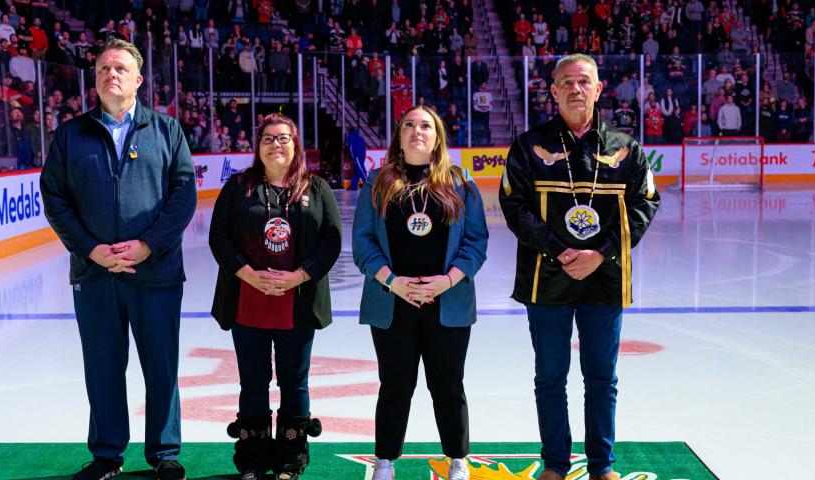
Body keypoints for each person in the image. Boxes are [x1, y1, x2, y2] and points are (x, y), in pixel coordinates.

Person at [498, 54, 660, 480]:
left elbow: (646, 203)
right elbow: (513, 206)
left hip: (604, 280)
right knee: (550, 377)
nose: (575, 88)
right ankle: (555, 463)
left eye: (583, 81)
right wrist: (558, 251)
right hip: (546, 278)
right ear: (553, 91)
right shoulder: (528, 147)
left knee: (601, 378)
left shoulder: (626, 149)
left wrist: (600, 254)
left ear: (598, 89)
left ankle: (601, 465)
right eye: (566, 82)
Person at [39, 38, 195, 480]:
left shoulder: (167, 130)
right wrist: (90, 249)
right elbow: (55, 197)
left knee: (161, 367)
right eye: (104, 67)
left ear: (138, 79)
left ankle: (165, 453)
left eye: (121, 68)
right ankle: (107, 454)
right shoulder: (70, 135)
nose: (112, 74)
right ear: (95, 79)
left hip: (156, 274)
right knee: (104, 368)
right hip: (95, 274)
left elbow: (183, 195)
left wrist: (148, 244)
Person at [352, 105, 489, 480]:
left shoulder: (460, 184)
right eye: (409, 125)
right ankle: (385, 460)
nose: (417, 131)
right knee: (395, 383)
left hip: (448, 301)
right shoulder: (377, 183)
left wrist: (446, 281)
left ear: (437, 136)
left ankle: (457, 459)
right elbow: (363, 243)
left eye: (425, 125)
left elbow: (476, 242)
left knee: (447, 384)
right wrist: (393, 282)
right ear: (399, 135)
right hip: (392, 301)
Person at [209, 113, 341, 480]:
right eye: (268, 138)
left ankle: (290, 456)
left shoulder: (315, 188)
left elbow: (331, 241)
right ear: (258, 146)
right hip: (248, 299)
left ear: (295, 144)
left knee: (293, 380)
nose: (276, 144)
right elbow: (218, 237)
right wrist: (248, 274)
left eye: (284, 138)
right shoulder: (238, 187)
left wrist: (298, 275)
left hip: (296, 301)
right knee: (252, 381)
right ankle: (252, 456)